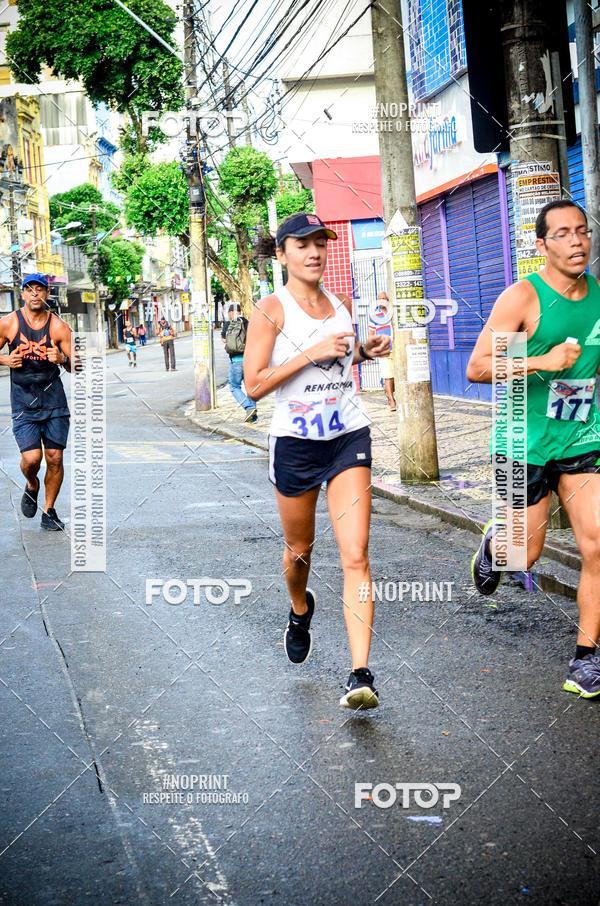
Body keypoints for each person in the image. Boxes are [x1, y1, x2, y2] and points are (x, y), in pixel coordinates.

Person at [243, 212, 390, 709]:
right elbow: (254, 385)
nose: (314, 252)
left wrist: (364, 352)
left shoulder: (342, 305)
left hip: (347, 435)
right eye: (302, 244)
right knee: (299, 552)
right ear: (282, 254)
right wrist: (311, 350)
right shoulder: (271, 310)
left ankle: (360, 674)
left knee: (356, 554)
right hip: (297, 444)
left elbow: (341, 361)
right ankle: (300, 607)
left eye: (321, 243)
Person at [467, 199, 600, 699]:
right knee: (525, 553)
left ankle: (587, 660)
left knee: (597, 544)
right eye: (563, 233)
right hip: (522, 442)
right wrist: (542, 359)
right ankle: (494, 546)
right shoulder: (523, 298)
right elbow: (478, 367)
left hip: (583, 437)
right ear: (541, 245)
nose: (577, 241)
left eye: (582, 231)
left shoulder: (599, 297)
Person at [0, 273, 73, 530]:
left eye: (39, 289)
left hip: (54, 402)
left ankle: (49, 510)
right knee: (32, 460)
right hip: (23, 401)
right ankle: (32, 484)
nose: (34, 294)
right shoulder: (8, 323)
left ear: (46, 293)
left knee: (55, 458)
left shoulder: (59, 327)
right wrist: (5, 360)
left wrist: (62, 359)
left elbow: (80, 364)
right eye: (29, 290)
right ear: (22, 294)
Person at [221, 302, 257, 423]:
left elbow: (224, 340)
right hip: (249, 361)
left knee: (234, 386)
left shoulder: (228, 324)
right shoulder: (247, 322)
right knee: (250, 388)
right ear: (240, 312)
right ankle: (253, 417)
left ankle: (249, 407)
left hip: (236, 361)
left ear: (231, 313)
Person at [368, 291, 396, 410]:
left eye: (385, 298)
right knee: (387, 375)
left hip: (397, 348)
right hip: (384, 350)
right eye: (381, 299)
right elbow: (371, 334)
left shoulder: (393, 313)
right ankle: (391, 400)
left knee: (394, 376)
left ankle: (389, 392)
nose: (383, 300)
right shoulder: (374, 316)